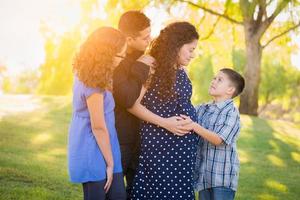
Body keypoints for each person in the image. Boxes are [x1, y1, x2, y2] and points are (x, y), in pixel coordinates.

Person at [113, 11, 190, 198]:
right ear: (129, 39)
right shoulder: (119, 62)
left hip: (143, 139)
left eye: (150, 34)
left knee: (135, 191)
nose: (150, 40)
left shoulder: (148, 58)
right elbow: (128, 99)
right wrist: (141, 66)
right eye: (145, 37)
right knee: (114, 192)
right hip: (121, 138)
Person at [131, 21, 199, 200]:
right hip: (159, 147)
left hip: (183, 152)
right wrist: (166, 123)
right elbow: (133, 105)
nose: (193, 55)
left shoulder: (180, 70)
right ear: (176, 45)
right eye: (191, 49)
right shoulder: (152, 66)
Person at [68, 27, 127, 200]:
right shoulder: (93, 84)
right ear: (106, 53)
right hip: (92, 150)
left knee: (117, 195)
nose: (122, 60)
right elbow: (98, 126)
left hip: (107, 146)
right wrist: (110, 163)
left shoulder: (93, 74)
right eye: (120, 56)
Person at [182, 68, 245, 200]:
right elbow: (185, 112)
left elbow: (218, 139)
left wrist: (194, 126)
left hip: (221, 179)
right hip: (203, 176)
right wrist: (184, 77)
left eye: (219, 80)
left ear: (230, 90)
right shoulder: (203, 108)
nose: (213, 81)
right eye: (214, 78)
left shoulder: (231, 112)